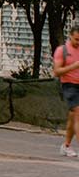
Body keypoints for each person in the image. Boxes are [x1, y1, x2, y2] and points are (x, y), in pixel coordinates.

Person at [55, 24, 79, 157]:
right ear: (70, 36)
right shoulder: (62, 50)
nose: (78, 42)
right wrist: (73, 66)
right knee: (78, 113)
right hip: (69, 85)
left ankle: (66, 146)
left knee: (73, 118)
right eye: (76, 39)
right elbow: (56, 71)